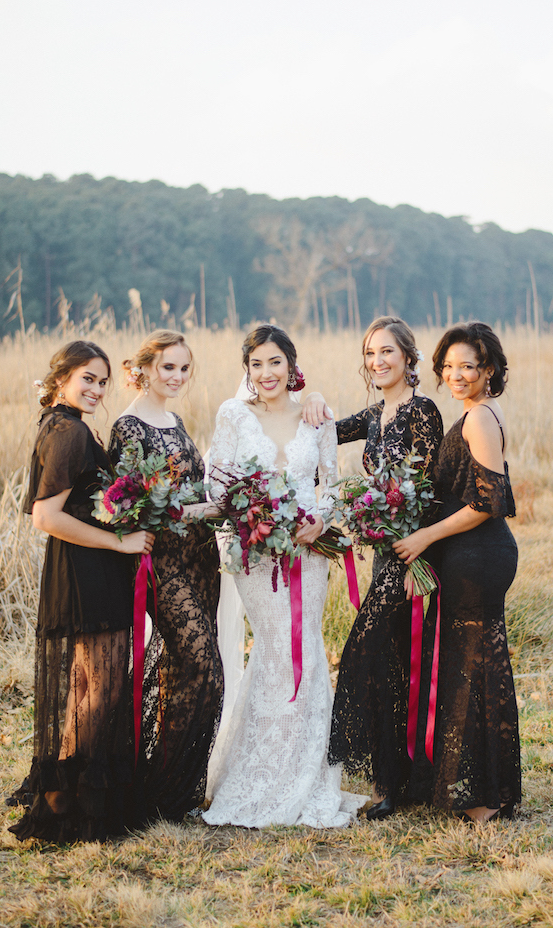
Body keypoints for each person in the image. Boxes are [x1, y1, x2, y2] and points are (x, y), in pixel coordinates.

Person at [202, 325, 366, 828]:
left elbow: (331, 484)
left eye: (276, 362)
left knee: (307, 647)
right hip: (254, 552)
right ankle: (258, 771)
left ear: (291, 365)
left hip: (308, 550)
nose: (266, 373)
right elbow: (217, 480)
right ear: (246, 370)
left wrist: (319, 518)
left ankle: (306, 774)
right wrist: (251, 513)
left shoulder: (317, 416)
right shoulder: (233, 415)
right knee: (275, 647)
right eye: (256, 364)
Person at [8, 340, 154, 843]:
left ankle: (65, 797)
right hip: (87, 571)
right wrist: (122, 539)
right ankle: (69, 804)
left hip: (87, 569)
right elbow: (46, 517)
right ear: (63, 377)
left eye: (102, 381)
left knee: (88, 689)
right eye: (87, 378)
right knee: (100, 689)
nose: (95, 388)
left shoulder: (60, 423)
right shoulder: (68, 430)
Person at [304, 315, 443, 820]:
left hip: (413, 556)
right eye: (369, 353)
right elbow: (320, 430)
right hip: (384, 552)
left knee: (364, 648)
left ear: (408, 357)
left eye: (386, 352)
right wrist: (311, 397)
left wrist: (418, 560)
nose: (377, 361)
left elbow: (429, 494)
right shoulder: (374, 415)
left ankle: (403, 776)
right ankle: (396, 782)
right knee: (389, 662)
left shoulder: (422, 412)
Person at [393, 322, 521, 822]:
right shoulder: (475, 413)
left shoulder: (480, 419)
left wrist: (423, 537)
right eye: (448, 366)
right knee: (472, 667)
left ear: (488, 369)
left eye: (467, 365)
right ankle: (481, 787)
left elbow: (491, 501)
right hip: (468, 554)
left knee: (477, 670)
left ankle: (487, 798)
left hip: (479, 555)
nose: (456, 374)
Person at [108, 330, 223, 823]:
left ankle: (166, 795)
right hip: (163, 565)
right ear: (144, 369)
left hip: (200, 560)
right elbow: (132, 508)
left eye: (183, 369)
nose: (176, 377)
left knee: (182, 671)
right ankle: (162, 793)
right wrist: (208, 508)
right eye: (167, 368)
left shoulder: (173, 420)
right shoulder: (128, 428)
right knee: (205, 671)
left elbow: (193, 483)